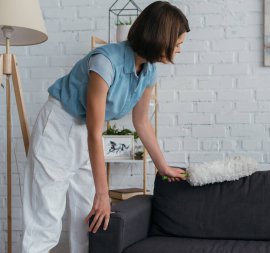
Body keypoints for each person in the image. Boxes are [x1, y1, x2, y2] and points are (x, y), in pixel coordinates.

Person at [22, 1, 190, 252]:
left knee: (89, 221)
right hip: (59, 126)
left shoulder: (149, 71)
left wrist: (162, 166)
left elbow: (141, 121)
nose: (179, 51)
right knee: (45, 221)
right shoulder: (105, 63)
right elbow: (95, 130)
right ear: (160, 38)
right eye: (177, 45)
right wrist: (103, 192)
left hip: (84, 133)